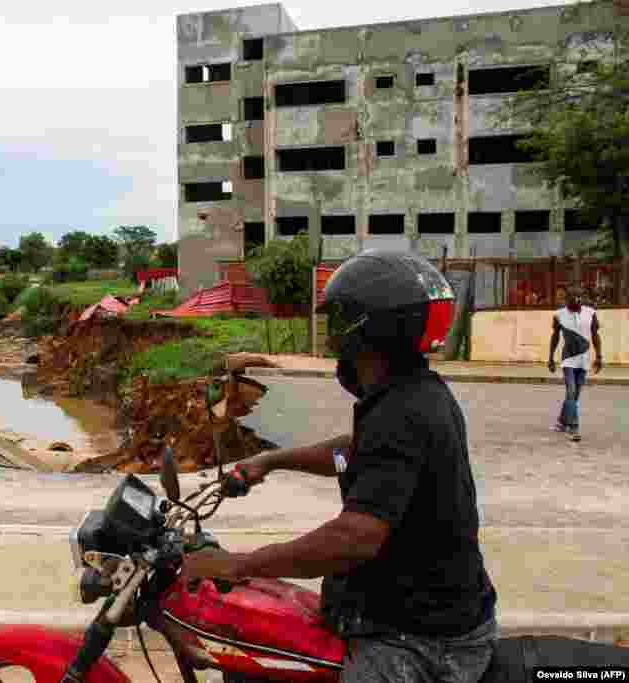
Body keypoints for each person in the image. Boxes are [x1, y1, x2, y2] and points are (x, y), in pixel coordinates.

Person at [182, 250, 497, 683]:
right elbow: (352, 454)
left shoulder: (403, 412)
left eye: (337, 323)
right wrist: (272, 460)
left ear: (366, 330)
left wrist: (237, 564)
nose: (332, 339)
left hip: (420, 641)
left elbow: (354, 539)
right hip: (402, 614)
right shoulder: (410, 394)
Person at [548, 285, 603, 442]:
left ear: (582, 298)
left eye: (578, 297)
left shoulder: (591, 313)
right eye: (571, 297)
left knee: (574, 395)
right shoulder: (559, 315)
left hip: (584, 359)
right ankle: (574, 427)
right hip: (568, 359)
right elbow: (555, 337)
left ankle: (561, 422)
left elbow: (595, 335)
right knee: (571, 391)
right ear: (566, 299)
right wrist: (551, 357)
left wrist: (599, 356)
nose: (575, 300)